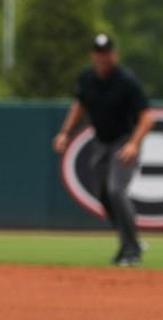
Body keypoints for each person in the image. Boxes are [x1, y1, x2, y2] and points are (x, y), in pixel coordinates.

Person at [53, 34, 154, 266]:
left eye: (106, 53)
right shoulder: (87, 78)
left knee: (116, 190)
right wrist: (66, 132)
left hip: (124, 141)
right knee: (103, 195)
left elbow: (148, 118)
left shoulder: (126, 81)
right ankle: (130, 241)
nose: (102, 58)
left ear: (114, 55)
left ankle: (132, 251)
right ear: (93, 55)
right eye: (99, 53)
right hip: (101, 143)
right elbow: (80, 105)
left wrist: (134, 144)